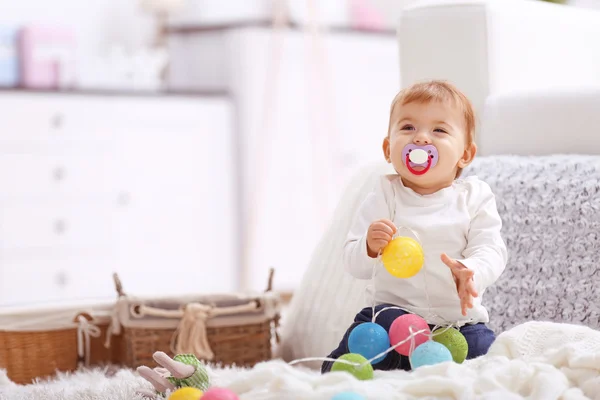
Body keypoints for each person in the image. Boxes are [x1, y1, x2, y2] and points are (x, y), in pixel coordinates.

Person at [322, 80, 508, 373]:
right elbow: (354, 264)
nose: (421, 138)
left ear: (466, 154)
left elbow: (491, 248)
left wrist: (472, 270)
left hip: (455, 324)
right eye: (408, 128)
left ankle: (430, 375)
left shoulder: (474, 196)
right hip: (392, 319)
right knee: (360, 347)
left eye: (439, 130)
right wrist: (369, 247)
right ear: (387, 148)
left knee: (486, 354)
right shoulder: (385, 194)